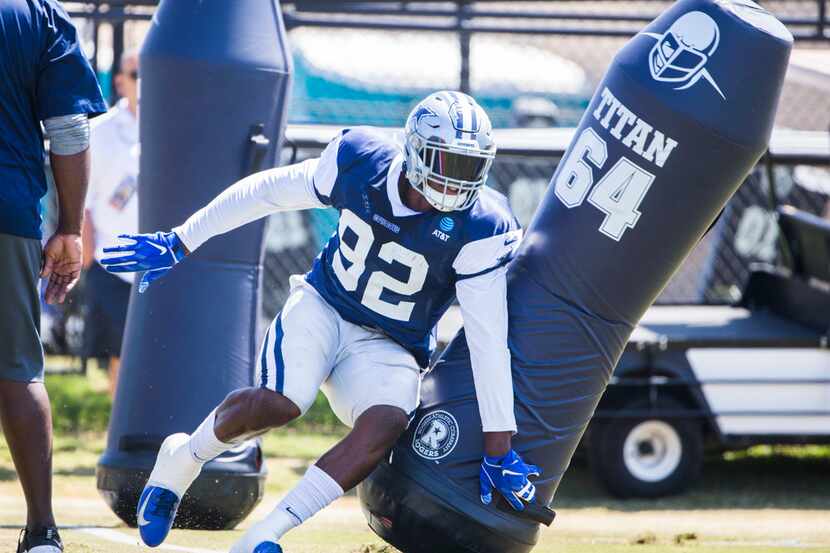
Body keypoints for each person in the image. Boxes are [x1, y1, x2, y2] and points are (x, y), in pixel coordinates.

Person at [102, 91, 540, 551]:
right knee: (281, 402)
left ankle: (264, 535)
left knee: (386, 421)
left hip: (391, 343)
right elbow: (267, 191)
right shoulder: (363, 161)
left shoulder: (484, 225)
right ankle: (182, 459)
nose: (455, 181)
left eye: (468, 167)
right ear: (414, 150)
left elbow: (490, 340)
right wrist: (181, 240)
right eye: (445, 162)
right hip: (324, 305)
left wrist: (499, 447)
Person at [0, 1, 107, 552]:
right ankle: (42, 531)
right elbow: (68, 127)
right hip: (7, 210)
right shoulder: (36, 12)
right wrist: (69, 227)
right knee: (16, 372)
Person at [81, 50, 140, 397]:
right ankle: (120, 434)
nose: (142, 83)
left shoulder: (169, 127)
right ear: (119, 81)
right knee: (120, 353)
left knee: (154, 350)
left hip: (156, 260)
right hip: (112, 259)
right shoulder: (102, 132)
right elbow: (84, 201)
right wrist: (86, 256)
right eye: (135, 75)